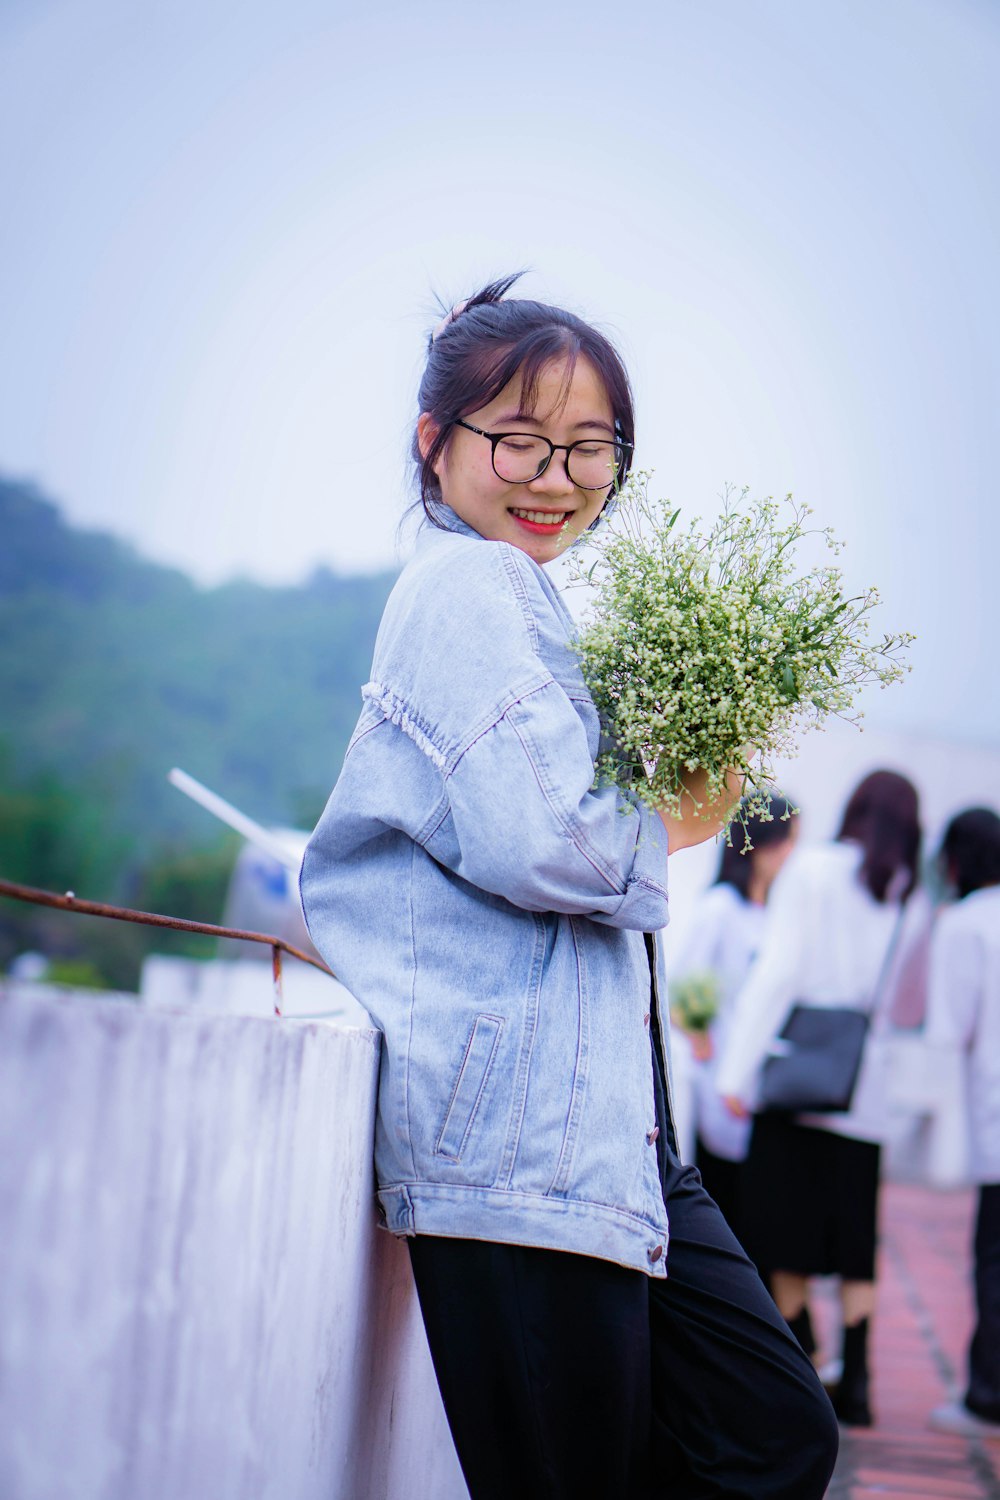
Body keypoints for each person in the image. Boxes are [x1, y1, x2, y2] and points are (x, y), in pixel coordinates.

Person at [300, 276, 838, 1498]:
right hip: (519, 1148)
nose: (556, 478)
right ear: (436, 443)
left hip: (596, 1140)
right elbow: (568, 850)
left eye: (590, 447)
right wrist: (690, 810)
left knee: (768, 1429)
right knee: (737, 1443)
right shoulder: (470, 589)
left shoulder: (512, 594)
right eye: (521, 442)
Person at [716, 769, 922, 1428]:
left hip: (799, 1079)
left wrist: (734, 1073)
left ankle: (803, 1365)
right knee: (854, 1242)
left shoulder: (814, 870)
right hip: (865, 1091)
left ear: (855, 807)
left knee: (784, 1234)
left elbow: (778, 973)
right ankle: (856, 1382)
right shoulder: (906, 894)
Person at [667, 796, 798, 1238]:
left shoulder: (778, 913)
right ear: (756, 843)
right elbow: (679, 985)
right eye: (783, 843)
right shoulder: (720, 908)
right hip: (721, 1079)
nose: (789, 855)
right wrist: (702, 1038)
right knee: (725, 1202)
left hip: (767, 1083)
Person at [925, 807, 1000, 1440]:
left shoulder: (967, 923)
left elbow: (949, 1028)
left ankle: (987, 1395)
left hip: (994, 1113)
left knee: (995, 1257)